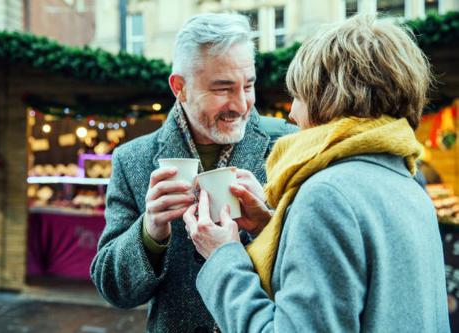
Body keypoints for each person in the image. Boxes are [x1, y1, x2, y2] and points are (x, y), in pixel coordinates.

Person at [184, 14, 450, 332]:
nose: (292, 113)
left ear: (328, 99)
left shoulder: (327, 195)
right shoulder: (407, 185)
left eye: (298, 95)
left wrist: (222, 257)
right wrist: (269, 227)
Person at [90, 13, 297, 333]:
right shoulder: (133, 159)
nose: (241, 104)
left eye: (249, 85)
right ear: (180, 87)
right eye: (223, 88)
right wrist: (150, 231)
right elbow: (113, 290)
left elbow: (313, 272)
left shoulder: (286, 145)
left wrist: (265, 227)